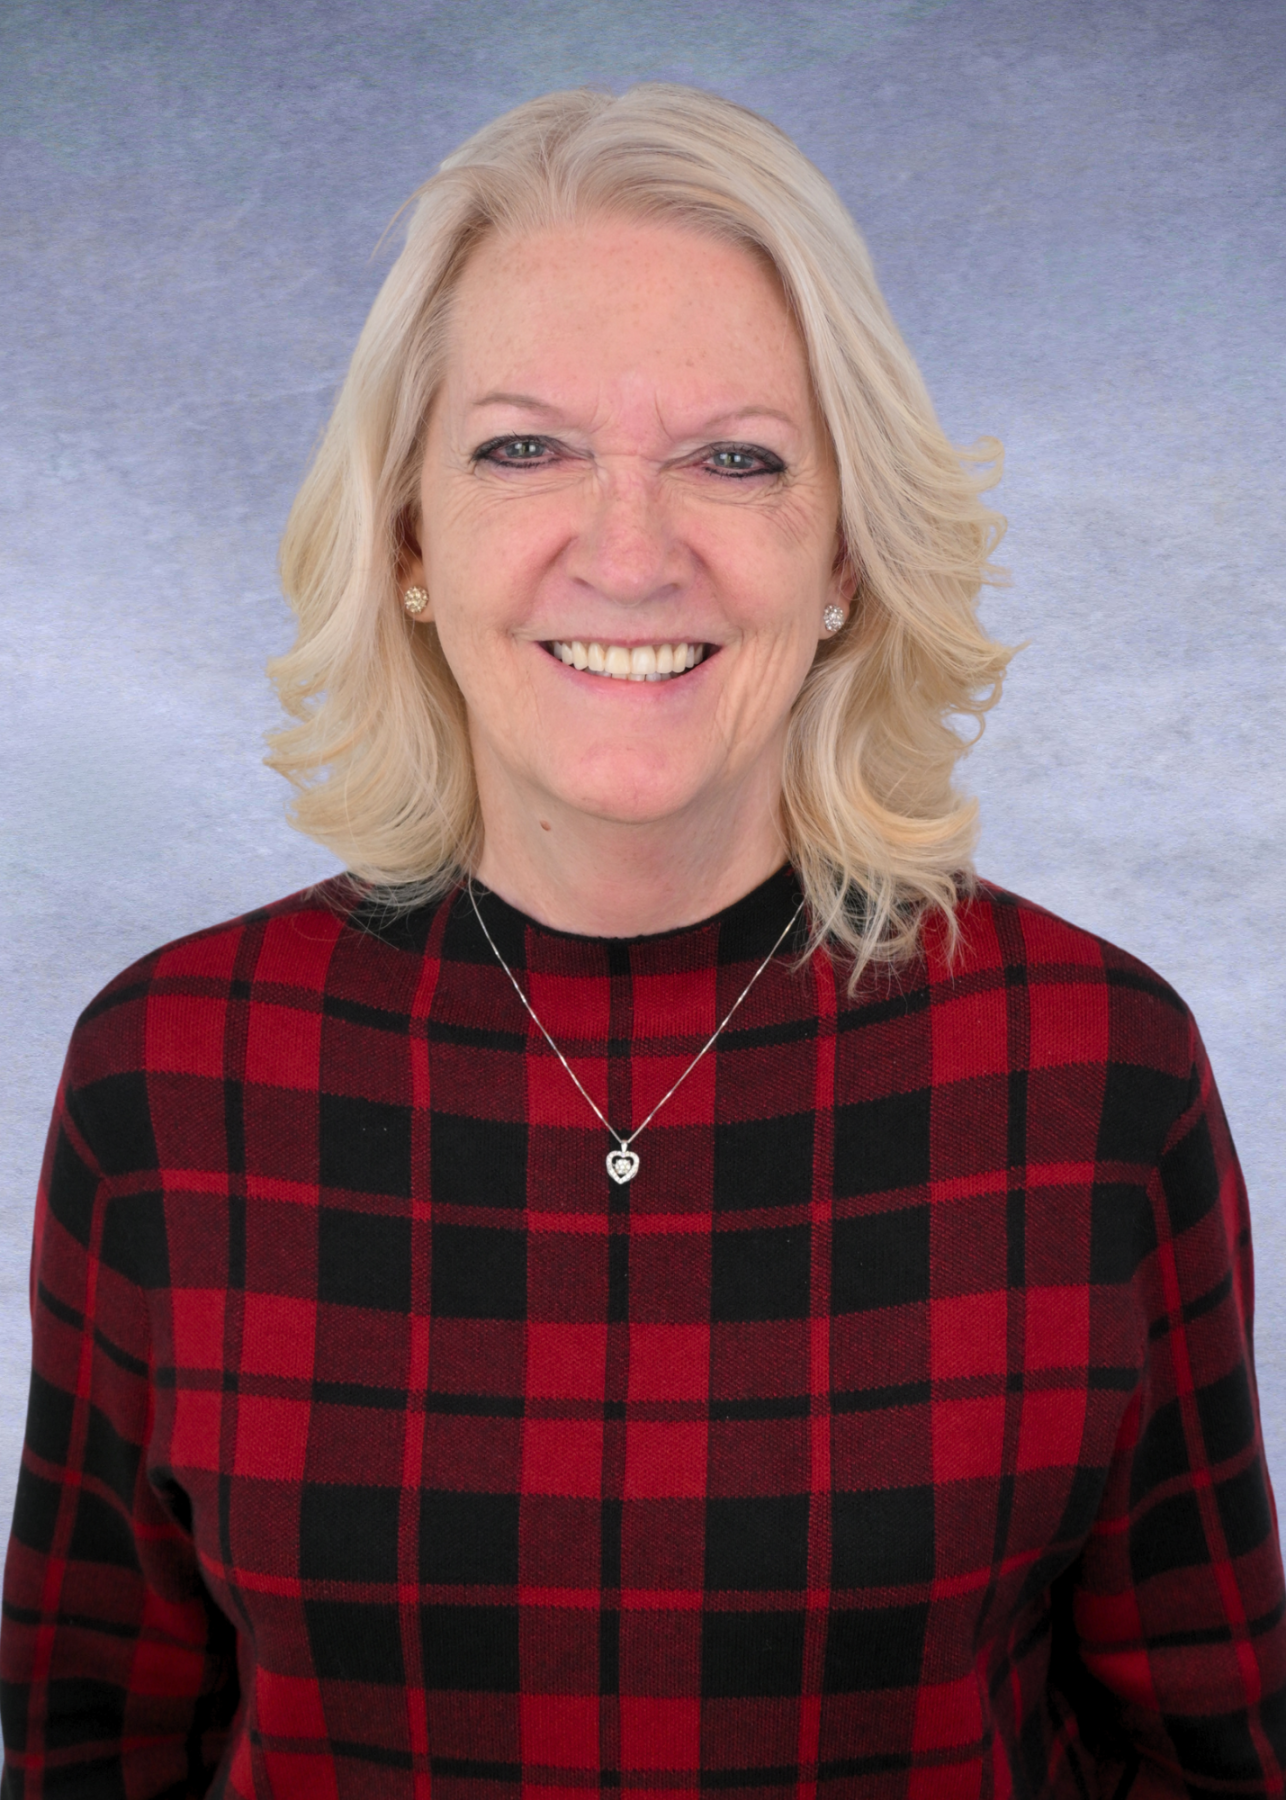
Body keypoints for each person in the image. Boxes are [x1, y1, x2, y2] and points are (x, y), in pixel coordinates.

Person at [2, 82, 1282, 1800]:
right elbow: (91, 1740)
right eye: (523, 447)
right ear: (406, 540)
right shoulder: (171, 1073)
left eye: (734, 458)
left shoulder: (1092, 1067)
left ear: (841, 553)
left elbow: (1211, 1753)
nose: (627, 550)